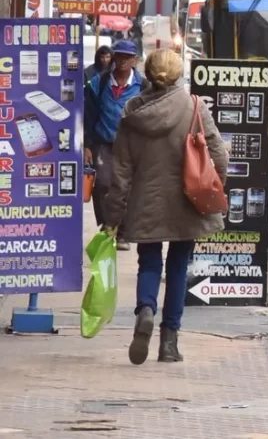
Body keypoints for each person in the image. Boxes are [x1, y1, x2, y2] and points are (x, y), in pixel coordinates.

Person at [104, 49, 228, 365]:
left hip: (145, 203)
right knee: (177, 267)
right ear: (177, 74)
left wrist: (112, 218)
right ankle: (169, 343)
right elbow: (220, 155)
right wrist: (215, 186)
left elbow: (121, 172)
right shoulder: (195, 107)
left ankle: (145, 308)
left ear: (148, 75)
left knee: (149, 262)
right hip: (187, 201)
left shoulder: (132, 112)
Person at [85, 39, 144, 250]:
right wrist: (87, 145)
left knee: (127, 188)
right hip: (103, 143)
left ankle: (123, 233)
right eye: (118, 56)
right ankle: (107, 226)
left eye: (127, 57)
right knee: (102, 185)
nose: (121, 61)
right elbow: (88, 115)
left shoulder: (143, 86)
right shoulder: (98, 83)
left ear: (134, 60)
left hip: (132, 146)